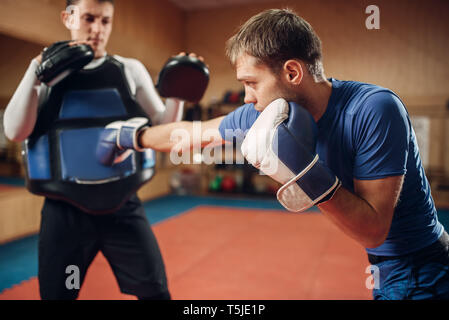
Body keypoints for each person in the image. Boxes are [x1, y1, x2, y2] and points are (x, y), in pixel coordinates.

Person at [98, 8, 449, 300]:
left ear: (292, 72)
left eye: (251, 83)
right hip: (384, 268)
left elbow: (374, 229)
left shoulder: (374, 109)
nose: (247, 98)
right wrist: (131, 136)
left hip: (424, 270)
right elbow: (192, 135)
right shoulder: (266, 112)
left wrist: (307, 173)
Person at [3, 0, 200, 300]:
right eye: (89, 18)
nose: (97, 29)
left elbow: (163, 128)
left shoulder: (129, 70)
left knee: (156, 292)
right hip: (66, 213)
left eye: (105, 21)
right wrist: (35, 71)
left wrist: (178, 95)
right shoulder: (46, 76)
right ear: (68, 18)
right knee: (59, 296)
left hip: (122, 207)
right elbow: (15, 132)